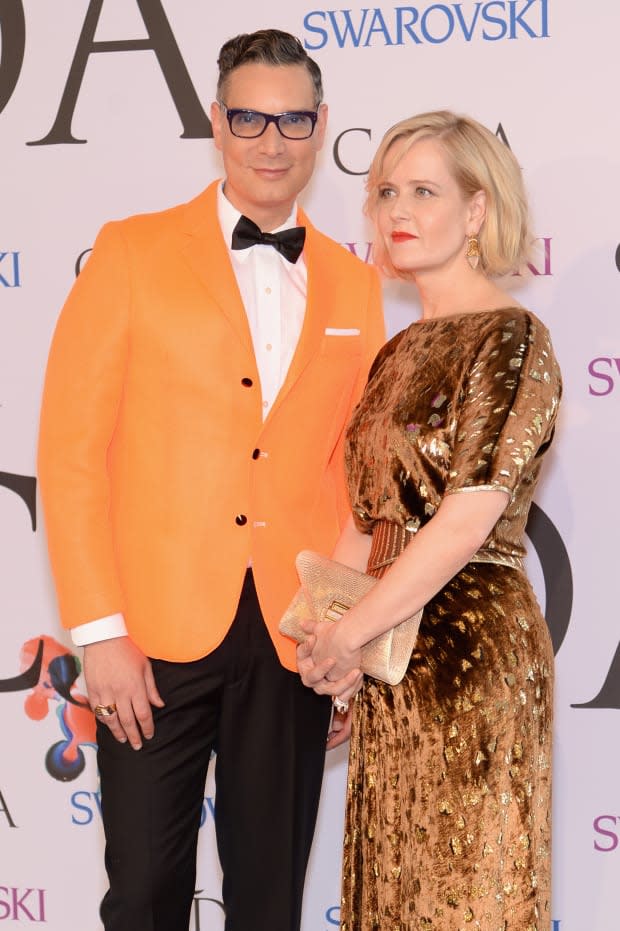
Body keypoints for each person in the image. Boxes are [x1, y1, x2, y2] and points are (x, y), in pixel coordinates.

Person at [37, 29, 385, 931]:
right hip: (148, 640)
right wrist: (101, 633)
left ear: (321, 127)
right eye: (250, 118)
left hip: (290, 640)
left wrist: (339, 637)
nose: (272, 141)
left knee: (269, 898)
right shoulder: (131, 252)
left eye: (293, 119)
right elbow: (72, 455)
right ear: (215, 122)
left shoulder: (355, 284)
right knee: (146, 893)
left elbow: (358, 477)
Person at [297, 110, 561, 930]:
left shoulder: (514, 339)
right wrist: (326, 645)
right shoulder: (396, 351)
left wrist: (353, 633)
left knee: (465, 894)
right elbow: (366, 516)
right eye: (383, 192)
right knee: (392, 899)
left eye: (422, 190)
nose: (396, 210)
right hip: (385, 659)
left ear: (478, 210)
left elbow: (467, 517)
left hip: (469, 659)